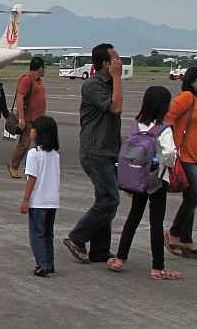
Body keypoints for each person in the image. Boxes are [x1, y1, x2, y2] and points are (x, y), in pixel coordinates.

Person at [110, 86, 182, 280]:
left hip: (138, 177)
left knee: (133, 217)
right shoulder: (163, 129)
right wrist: (169, 162)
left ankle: (119, 258)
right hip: (157, 180)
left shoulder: (137, 125)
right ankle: (157, 268)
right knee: (156, 222)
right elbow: (169, 153)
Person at [64, 43, 123, 266]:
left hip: (109, 151)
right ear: (106, 63)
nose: (119, 63)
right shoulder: (92, 85)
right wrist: (117, 77)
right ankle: (77, 238)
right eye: (115, 59)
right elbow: (115, 108)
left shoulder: (109, 84)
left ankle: (100, 250)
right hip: (95, 151)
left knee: (104, 200)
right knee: (110, 199)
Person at [165, 67, 197, 261]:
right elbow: (167, 119)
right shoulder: (186, 98)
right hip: (184, 156)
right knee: (195, 196)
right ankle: (173, 234)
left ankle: (186, 240)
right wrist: (169, 146)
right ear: (191, 82)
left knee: (190, 198)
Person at [21, 116, 61, 277]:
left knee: (37, 233)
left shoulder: (34, 154)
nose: (31, 132)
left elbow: (32, 178)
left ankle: (42, 263)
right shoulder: (55, 155)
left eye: (33, 129)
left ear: (39, 133)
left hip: (38, 201)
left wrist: (26, 199)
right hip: (52, 201)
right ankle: (49, 263)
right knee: (48, 234)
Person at [10, 57, 48, 179]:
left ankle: (35, 168)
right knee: (24, 144)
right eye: (44, 68)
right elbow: (20, 98)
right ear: (40, 68)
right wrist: (21, 118)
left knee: (40, 144)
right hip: (29, 119)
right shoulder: (27, 79)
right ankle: (13, 167)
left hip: (39, 119)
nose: (44, 70)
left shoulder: (38, 80)